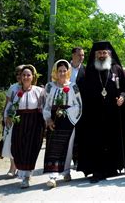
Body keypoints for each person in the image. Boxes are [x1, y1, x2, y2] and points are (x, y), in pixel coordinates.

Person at [75, 41, 125, 183]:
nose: (102, 55)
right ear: (95, 55)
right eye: (99, 53)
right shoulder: (88, 71)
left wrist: (123, 97)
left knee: (113, 140)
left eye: (104, 53)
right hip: (94, 114)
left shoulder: (117, 69)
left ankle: (112, 167)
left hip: (114, 114)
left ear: (109, 54)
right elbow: (80, 92)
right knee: (96, 141)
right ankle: (97, 170)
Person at [4, 65, 45, 188]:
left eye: (28, 75)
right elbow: (10, 106)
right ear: (20, 77)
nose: (26, 77)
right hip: (19, 123)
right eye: (24, 75)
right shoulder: (16, 91)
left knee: (30, 149)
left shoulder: (39, 91)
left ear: (33, 77)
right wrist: (7, 116)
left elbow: (44, 108)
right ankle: (22, 172)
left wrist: (46, 121)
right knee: (19, 149)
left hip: (34, 123)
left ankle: (26, 176)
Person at [43, 60, 82, 188]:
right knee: (53, 147)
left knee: (68, 146)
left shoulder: (73, 86)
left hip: (69, 119)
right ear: (55, 72)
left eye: (64, 71)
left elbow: (79, 105)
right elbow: (46, 106)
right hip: (54, 119)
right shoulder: (49, 86)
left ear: (68, 72)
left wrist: (67, 113)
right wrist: (48, 119)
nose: (62, 73)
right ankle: (53, 176)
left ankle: (66, 171)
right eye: (60, 71)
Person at [1, 64, 24, 178]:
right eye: (18, 74)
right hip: (11, 116)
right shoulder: (13, 87)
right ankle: (12, 167)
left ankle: (21, 167)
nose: (20, 76)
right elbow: (8, 103)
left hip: (24, 117)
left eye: (22, 73)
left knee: (22, 142)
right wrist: (5, 116)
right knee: (11, 141)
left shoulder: (31, 87)